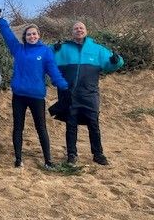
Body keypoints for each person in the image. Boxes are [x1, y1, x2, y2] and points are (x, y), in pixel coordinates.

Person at [0, 7, 69, 168]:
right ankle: (18, 159)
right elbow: (7, 35)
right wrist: (0, 19)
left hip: (36, 96)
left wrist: (63, 85)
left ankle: (48, 160)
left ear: (38, 35)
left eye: (34, 34)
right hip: (19, 95)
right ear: (25, 37)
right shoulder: (18, 49)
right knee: (18, 127)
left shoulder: (46, 51)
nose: (32, 36)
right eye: (29, 34)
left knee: (41, 127)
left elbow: (53, 71)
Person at [52, 21, 124, 165]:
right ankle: (72, 154)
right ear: (72, 33)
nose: (79, 30)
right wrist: (54, 49)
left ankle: (98, 154)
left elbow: (113, 64)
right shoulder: (63, 49)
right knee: (71, 125)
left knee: (93, 124)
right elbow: (42, 56)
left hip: (90, 94)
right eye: (76, 28)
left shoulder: (97, 49)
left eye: (81, 28)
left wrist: (116, 61)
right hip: (69, 94)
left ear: (86, 31)